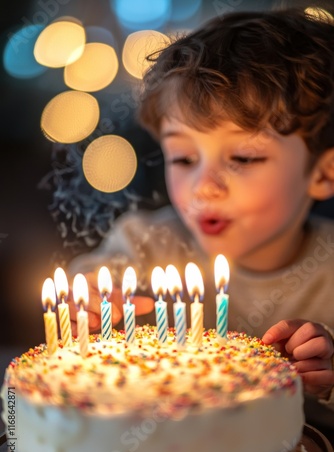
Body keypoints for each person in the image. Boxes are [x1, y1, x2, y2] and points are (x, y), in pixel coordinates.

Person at [68, 8, 334, 409]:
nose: (204, 187)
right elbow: (91, 281)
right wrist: (85, 298)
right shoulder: (146, 243)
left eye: (243, 158)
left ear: (324, 173)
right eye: (184, 158)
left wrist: (326, 375)